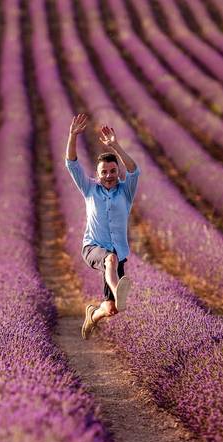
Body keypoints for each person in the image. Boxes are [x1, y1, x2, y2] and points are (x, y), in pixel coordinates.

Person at [65, 113, 139, 340]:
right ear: (97, 175)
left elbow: (134, 169)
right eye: (104, 172)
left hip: (118, 251)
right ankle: (118, 291)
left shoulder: (126, 191)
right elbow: (71, 163)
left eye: (112, 171)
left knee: (111, 309)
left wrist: (115, 145)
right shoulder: (90, 189)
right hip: (93, 248)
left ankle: (93, 315)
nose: (109, 175)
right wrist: (72, 136)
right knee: (110, 259)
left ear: (118, 173)